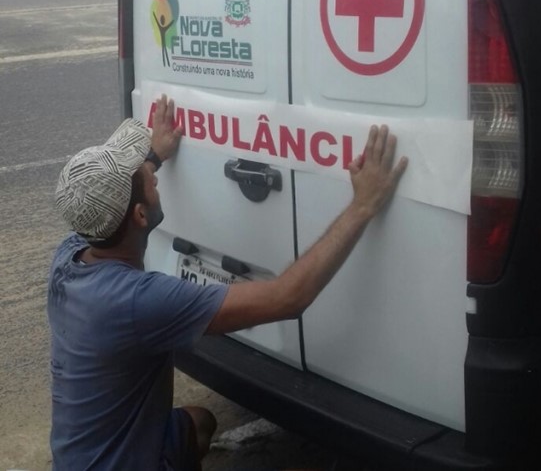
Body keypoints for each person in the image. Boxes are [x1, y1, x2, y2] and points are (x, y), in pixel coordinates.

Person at [48, 94, 408, 471]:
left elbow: (120, 206)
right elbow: (289, 297)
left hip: (76, 459)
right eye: (145, 177)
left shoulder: (72, 254)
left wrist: (154, 155)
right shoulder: (135, 302)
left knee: (200, 422)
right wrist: (362, 205)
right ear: (139, 215)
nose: (151, 174)